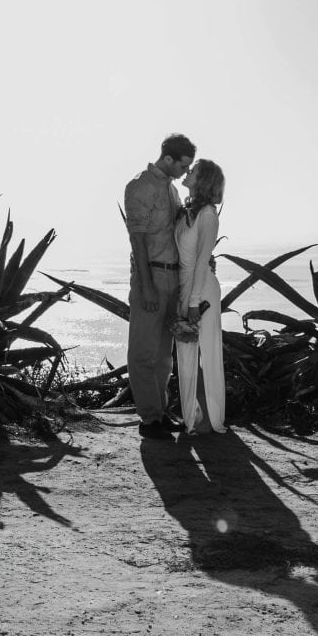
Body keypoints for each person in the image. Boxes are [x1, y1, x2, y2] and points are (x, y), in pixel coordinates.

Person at [124, 133, 196, 439]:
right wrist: (147, 285)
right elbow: (137, 239)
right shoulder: (140, 186)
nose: (185, 172)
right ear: (168, 159)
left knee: (164, 354)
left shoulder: (172, 190)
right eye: (184, 164)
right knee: (142, 351)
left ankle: (160, 412)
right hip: (150, 276)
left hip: (173, 277)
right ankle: (149, 419)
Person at [174, 159, 226, 434]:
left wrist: (193, 302)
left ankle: (207, 417)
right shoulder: (187, 211)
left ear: (203, 180)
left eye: (193, 171)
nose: (188, 172)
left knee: (203, 351)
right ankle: (193, 414)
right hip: (185, 287)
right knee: (186, 349)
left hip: (202, 289)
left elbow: (202, 260)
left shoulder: (207, 215)